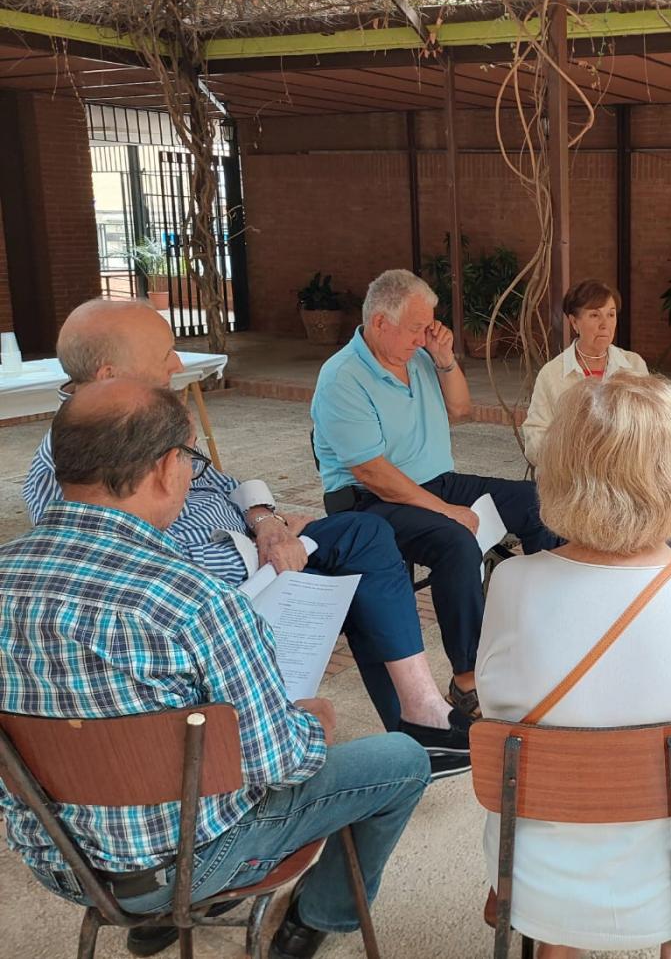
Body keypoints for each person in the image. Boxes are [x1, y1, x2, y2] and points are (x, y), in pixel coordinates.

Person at [0, 380, 429, 959]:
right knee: (402, 760)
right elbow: (281, 764)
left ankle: (164, 915)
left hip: (60, 862)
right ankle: (316, 915)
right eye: (190, 458)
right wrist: (314, 723)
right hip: (193, 860)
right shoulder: (196, 601)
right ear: (165, 469)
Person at [23, 299, 470, 780]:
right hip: (232, 594)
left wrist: (267, 523)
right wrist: (262, 554)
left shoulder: (143, 420)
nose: (177, 365)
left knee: (364, 534)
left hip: (257, 549)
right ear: (110, 375)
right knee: (363, 576)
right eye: (165, 354)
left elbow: (222, 481)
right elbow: (144, 582)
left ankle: (420, 713)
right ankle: (414, 731)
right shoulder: (78, 463)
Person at [477, 374, 671, 958]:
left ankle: (561, 940)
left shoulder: (511, 583)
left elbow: (497, 708)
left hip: (539, 876)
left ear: (560, 469)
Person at [311, 269, 559, 722]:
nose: (424, 336)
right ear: (380, 322)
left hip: (436, 482)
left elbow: (461, 410)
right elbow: (372, 473)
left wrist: (443, 359)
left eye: (429, 326)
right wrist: (447, 511)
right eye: (416, 327)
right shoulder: (342, 377)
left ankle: (550, 629)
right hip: (369, 501)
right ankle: (467, 678)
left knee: (539, 502)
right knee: (455, 541)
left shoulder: (418, 357)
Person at [521, 278, 648, 465]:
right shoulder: (552, 374)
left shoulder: (634, 366)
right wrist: (574, 456)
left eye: (611, 314)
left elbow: (649, 427)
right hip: (570, 474)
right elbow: (535, 440)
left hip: (624, 472)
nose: (605, 324)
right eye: (595, 315)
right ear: (574, 322)